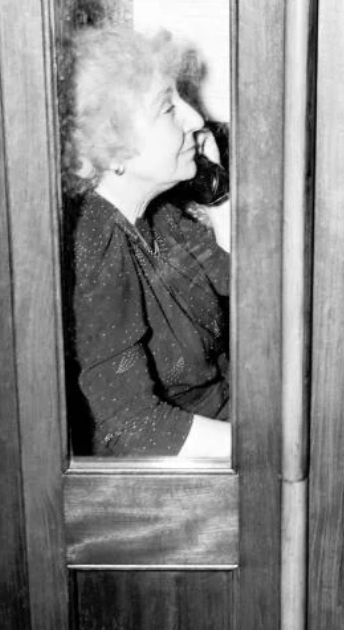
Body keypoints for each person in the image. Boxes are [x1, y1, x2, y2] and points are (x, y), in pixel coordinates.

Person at [60, 26, 231, 458]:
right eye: (168, 108)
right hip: (173, 465)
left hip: (225, 419)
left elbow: (242, 284)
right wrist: (268, 444)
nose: (195, 120)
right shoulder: (95, 239)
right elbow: (135, 426)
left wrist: (219, 191)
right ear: (112, 149)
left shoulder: (159, 217)